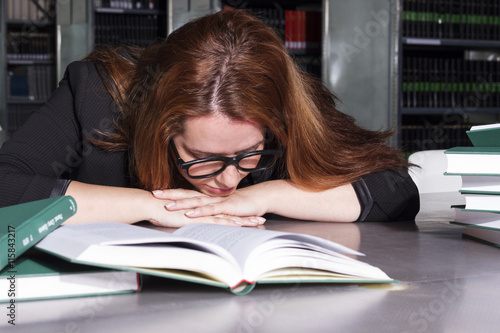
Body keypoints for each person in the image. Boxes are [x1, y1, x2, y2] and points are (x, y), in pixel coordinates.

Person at [0, 10, 419, 227]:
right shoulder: (96, 94)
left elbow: (395, 188)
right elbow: (6, 184)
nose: (227, 180)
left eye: (250, 154)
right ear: (160, 126)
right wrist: (152, 206)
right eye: (202, 156)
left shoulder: (287, 108)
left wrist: (261, 196)